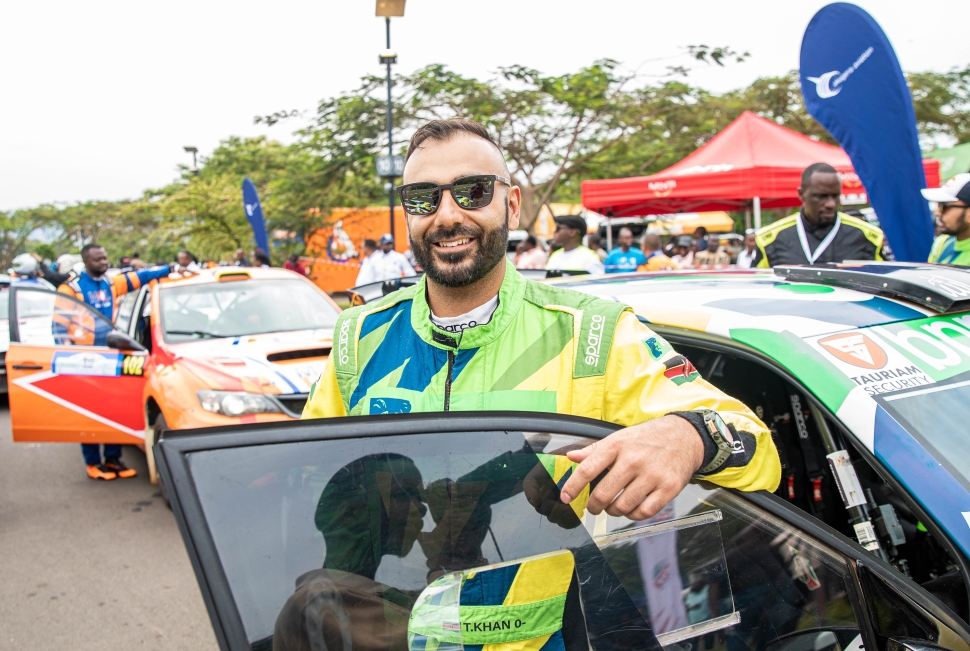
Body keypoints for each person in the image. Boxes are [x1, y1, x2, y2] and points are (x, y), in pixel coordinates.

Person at [305, 118, 779, 523]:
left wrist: (688, 437)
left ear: (511, 205)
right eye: (423, 198)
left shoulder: (594, 332)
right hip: (389, 620)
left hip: (547, 630)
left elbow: (757, 449)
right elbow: (308, 474)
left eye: (472, 192)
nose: (447, 216)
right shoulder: (360, 335)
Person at [57, 244, 170, 481]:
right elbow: (58, 328)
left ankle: (113, 459)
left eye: (105, 258)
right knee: (89, 413)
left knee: (112, 409)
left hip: (111, 358)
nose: (104, 262)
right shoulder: (71, 289)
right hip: (83, 360)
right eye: (98, 259)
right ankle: (93, 463)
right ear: (86, 262)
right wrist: (67, 360)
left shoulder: (111, 284)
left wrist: (167, 269)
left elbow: (140, 277)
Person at [754, 163, 887, 267]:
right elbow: (759, 289)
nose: (830, 204)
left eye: (835, 196)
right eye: (821, 197)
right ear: (801, 194)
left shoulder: (868, 237)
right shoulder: (770, 240)